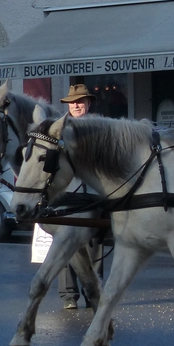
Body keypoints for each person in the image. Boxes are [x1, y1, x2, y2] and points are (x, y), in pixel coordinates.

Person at [57, 84, 104, 310]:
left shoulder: (99, 127)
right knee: (66, 242)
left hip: (94, 193)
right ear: (67, 105)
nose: (76, 105)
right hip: (67, 192)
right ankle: (68, 295)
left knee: (95, 245)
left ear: (88, 103)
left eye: (80, 101)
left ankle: (93, 291)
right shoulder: (59, 128)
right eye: (73, 102)